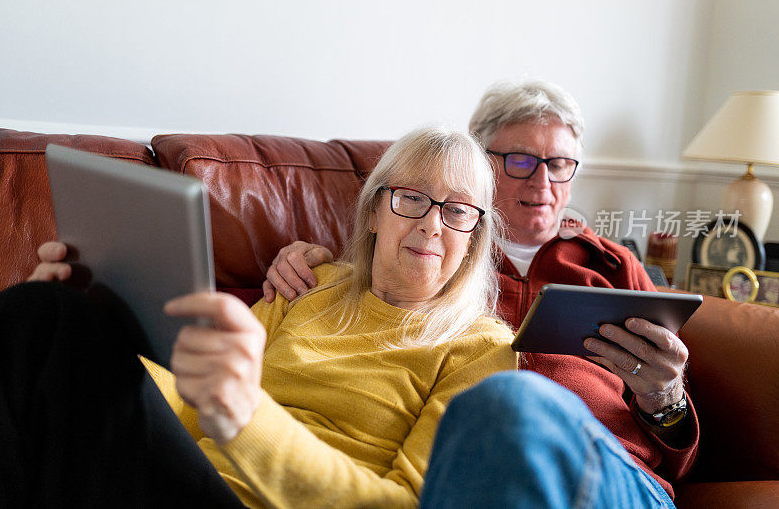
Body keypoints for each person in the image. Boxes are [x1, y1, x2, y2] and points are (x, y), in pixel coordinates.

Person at [0, 127, 516, 507]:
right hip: (181, 478)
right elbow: (192, 401)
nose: (432, 226)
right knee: (47, 314)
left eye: (458, 210)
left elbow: (406, 506)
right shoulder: (309, 285)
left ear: (473, 236)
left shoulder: (479, 350)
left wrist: (247, 420)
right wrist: (92, 334)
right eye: (412, 199)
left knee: (44, 327)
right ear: (375, 210)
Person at [262, 80, 699, 506]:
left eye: (560, 164)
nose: (543, 183)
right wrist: (301, 261)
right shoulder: (437, 248)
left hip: (615, 476)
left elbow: (682, 457)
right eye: (521, 161)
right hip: (486, 473)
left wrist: (666, 397)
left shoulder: (612, 263)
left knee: (512, 398)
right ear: (479, 164)